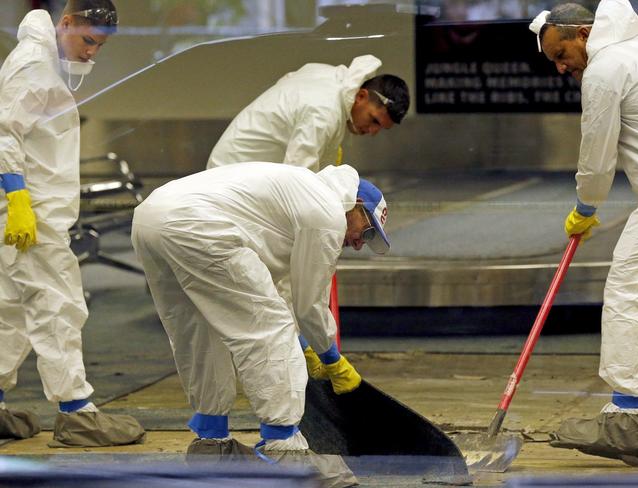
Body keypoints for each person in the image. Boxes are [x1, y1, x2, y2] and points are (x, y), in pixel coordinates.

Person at [132, 162, 390, 487]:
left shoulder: (300, 193)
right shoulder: (327, 211)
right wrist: (331, 358)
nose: (357, 243)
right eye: (365, 232)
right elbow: (309, 304)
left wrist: (305, 343)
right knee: (269, 330)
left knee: (197, 333)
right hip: (199, 226)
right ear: (357, 205)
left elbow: (279, 289)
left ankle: (212, 445)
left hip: (149, 219)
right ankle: (286, 453)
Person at [0, 0, 144, 447]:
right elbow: (4, 132)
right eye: (87, 40)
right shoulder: (33, 65)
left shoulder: (46, 60)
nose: (92, 53)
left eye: (100, 46)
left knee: (11, 311)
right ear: (65, 23)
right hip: (30, 212)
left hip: (26, 207)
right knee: (58, 304)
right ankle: (76, 410)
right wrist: (19, 198)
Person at [530, 0, 638, 465]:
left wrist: (585, 206)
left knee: (628, 291)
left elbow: (596, 156)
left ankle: (626, 416)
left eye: (562, 55)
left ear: (583, 34)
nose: (562, 68)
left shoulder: (606, 69)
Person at [206, 55, 410, 172]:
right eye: (374, 120)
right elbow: (299, 180)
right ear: (361, 96)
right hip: (231, 176)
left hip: (234, 169)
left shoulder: (330, 79)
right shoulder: (324, 111)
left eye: (380, 128)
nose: (373, 131)